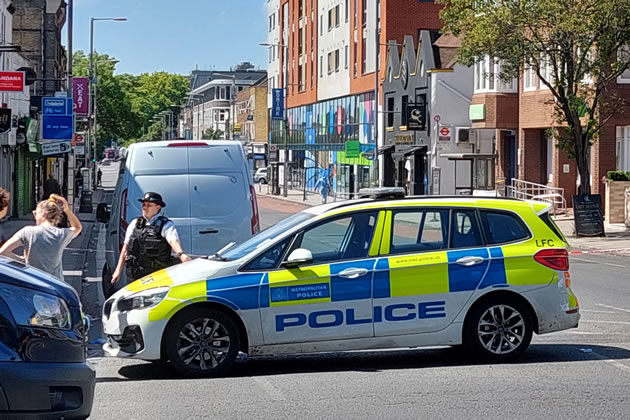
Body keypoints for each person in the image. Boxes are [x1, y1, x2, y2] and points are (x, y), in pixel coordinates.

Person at [111, 192, 191, 287]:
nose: (145, 207)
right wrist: (118, 271)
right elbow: (125, 248)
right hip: (135, 274)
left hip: (156, 275)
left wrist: (181, 254)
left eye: (149, 205)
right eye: (144, 205)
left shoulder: (165, 225)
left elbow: (173, 240)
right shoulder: (135, 223)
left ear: (158, 207)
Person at [0, 194, 82, 281]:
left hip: (32, 282)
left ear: (43, 213)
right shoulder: (62, 234)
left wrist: (22, 261)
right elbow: (78, 227)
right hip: (55, 284)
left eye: (36, 213)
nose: (34, 216)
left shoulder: (28, 231)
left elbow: (2, 252)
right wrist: (67, 209)